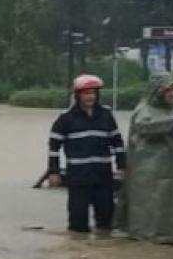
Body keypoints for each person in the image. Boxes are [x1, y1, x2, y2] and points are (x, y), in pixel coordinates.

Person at [47, 74, 126, 233]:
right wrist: (54, 172)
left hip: (103, 176)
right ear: (77, 95)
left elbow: (118, 143)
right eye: (86, 93)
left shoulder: (106, 115)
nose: (90, 96)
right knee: (78, 225)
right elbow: (54, 147)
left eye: (93, 93)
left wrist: (122, 167)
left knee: (106, 222)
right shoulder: (66, 118)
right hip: (78, 177)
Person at [119, 72, 173, 244]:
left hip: (172, 168)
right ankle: (146, 235)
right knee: (148, 205)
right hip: (147, 171)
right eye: (168, 90)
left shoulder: (170, 110)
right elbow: (146, 127)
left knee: (170, 203)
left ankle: (172, 234)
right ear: (157, 91)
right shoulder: (143, 109)